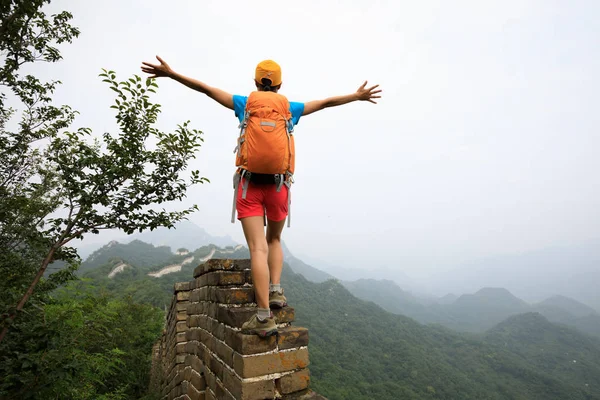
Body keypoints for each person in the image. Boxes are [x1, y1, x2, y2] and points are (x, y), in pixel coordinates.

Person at [140, 56, 382, 337]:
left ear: (256, 82)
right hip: (280, 187)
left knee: (258, 248)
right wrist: (357, 96)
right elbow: (326, 103)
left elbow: (206, 89)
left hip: (249, 185)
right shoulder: (290, 108)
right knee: (275, 239)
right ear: (279, 84)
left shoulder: (246, 104)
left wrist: (172, 74)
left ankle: (264, 315)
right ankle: (276, 291)